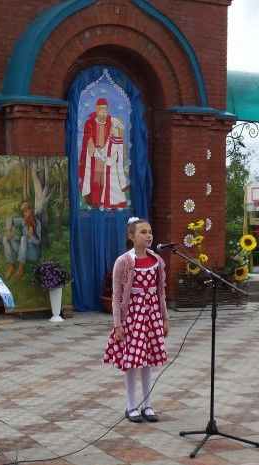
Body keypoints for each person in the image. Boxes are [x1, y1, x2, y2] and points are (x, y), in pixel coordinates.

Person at [103, 217, 169, 423]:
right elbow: (116, 295)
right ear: (131, 236)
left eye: (150, 232)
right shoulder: (123, 261)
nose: (149, 235)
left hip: (152, 316)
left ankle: (147, 405)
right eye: (143, 232)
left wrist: (165, 318)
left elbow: (161, 293)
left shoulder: (156, 261)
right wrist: (118, 324)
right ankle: (131, 406)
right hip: (133, 317)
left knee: (147, 360)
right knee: (132, 361)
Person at [78, 98, 129, 209]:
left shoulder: (111, 123)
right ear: (96, 110)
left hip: (107, 156)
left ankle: (105, 202)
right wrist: (93, 149)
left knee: (106, 180)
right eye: (101, 110)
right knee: (95, 179)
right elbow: (88, 138)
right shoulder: (90, 123)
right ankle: (95, 203)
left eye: (105, 111)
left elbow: (117, 136)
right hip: (95, 158)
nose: (103, 113)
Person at [2, 201, 41, 280]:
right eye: (24, 211)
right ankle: (11, 265)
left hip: (32, 253)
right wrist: (8, 230)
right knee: (5, 238)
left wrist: (31, 236)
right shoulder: (24, 220)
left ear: (31, 210)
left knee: (23, 238)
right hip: (23, 250)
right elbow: (9, 219)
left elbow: (38, 241)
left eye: (27, 210)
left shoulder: (37, 223)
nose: (25, 213)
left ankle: (21, 267)